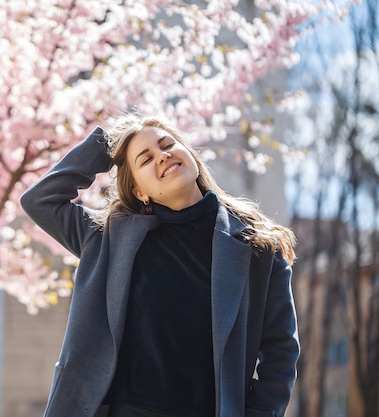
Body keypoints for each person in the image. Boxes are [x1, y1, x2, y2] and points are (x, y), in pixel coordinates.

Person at [20, 114, 300, 417]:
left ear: (190, 155)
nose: (162, 156)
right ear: (140, 191)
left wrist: (260, 411)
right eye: (145, 158)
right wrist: (108, 142)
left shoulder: (257, 247)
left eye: (167, 145)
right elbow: (41, 200)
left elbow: (280, 349)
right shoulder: (108, 239)